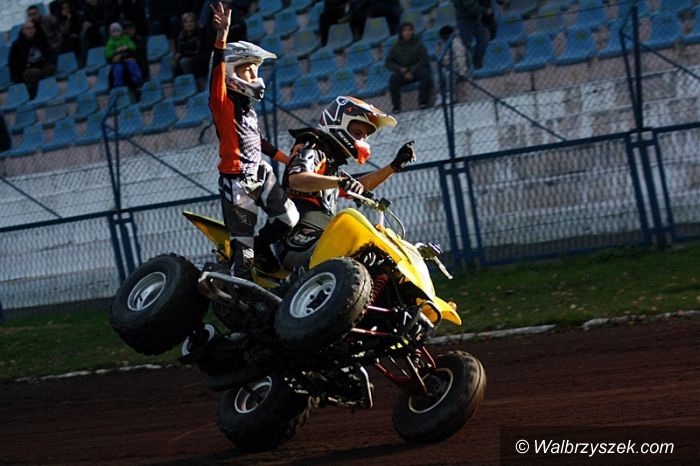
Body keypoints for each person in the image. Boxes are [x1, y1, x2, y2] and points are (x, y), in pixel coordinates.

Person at [209, 2, 299, 278]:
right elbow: (217, 72)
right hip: (236, 181)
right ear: (232, 73)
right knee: (243, 252)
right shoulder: (222, 103)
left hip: (260, 172)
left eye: (255, 70)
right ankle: (239, 291)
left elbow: (256, 140)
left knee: (289, 219)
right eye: (248, 70)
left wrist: (285, 158)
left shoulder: (247, 109)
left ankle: (261, 248)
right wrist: (222, 36)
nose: (254, 76)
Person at [279, 96, 416, 271]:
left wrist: (393, 166)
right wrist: (340, 182)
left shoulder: (331, 163)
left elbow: (358, 186)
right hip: (298, 239)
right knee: (354, 248)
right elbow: (296, 179)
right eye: (358, 133)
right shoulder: (312, 146)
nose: (362, 140)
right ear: (338, 121)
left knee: (376, 257)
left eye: (365, 137)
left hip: (321, 236)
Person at [384, 22, 432, 112]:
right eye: (405, 30)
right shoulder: (396, 47)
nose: (407, 33)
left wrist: (411, 71)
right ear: (401, 33)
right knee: (393, 79)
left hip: (416, 70)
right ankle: (396, 107)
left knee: (425, 74)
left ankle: (423, 102)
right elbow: (388, 63)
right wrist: (400, 69)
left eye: (409, 30)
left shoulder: (419, 44)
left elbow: (423, 60)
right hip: (403, 72)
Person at [8, 20, 57, 99]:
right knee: (34, 73)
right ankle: (35, 95)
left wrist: (48, 63)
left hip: (41, 67)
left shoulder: (40, 41)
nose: (30, 30)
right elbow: (13, 64)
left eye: (32, 28)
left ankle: (44, 90)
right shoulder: (17, 45)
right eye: (28, 28)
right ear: (23, 31)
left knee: (51, 67)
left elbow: (49, 53)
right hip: (25, 70)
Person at [452, 0, 491, 70]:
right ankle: (468, 68)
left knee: (483, 39)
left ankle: (477, 64)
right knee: (466, 45)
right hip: (464, 20)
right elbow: (470, 6)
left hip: (475, 19)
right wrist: (485, 10)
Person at [104, 21, 142, 92]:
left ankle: (138, 82)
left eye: (118, 30)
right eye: (114, 31)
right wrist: (115, 52)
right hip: (118, 62)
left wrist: (126, 47)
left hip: (128, 60)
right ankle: (119, 87)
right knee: (117, 70)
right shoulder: (110, 42)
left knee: (132, 64)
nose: (116, 33)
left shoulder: (126, 39)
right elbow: (107, 54)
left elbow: (133, 47)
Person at [173, 12, 208, 82]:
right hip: (185, 56)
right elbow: (179, 49)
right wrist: (177, 54)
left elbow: (198, 50)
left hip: (197, 58)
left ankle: (192, 81)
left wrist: (181, 54)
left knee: (184, 62)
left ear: (195, 23)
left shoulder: (200, 33)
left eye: (191, 21)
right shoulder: (181, 35)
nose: (189, 24)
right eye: (186, 22)